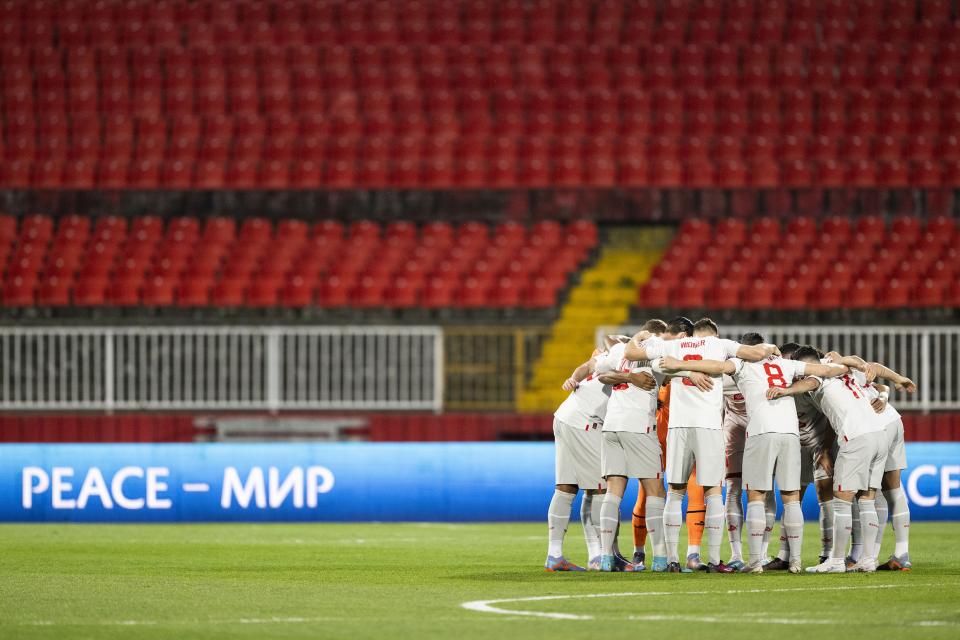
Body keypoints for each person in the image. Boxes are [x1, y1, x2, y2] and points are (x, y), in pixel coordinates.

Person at [661, 333, 847, 574]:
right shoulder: (785, 364)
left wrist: (680, 365)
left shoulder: (740, 364)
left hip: (761, 431)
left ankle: (755, 561)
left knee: (756, 495)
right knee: (791, 497)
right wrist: (843, 362)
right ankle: (796, 561)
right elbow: (826, 372)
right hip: (790, 433)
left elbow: (717, 366)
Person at [625, 317, 777, 573]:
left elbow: (630, 352)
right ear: (713, 335)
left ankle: (672, 559)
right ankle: (716, 560)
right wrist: (771, 348)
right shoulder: (721, 345)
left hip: (678, 427)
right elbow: (756, 352)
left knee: (675, 491)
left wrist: (640, 336)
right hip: (708, 426)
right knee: (713, 492)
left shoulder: (672, 347)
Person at [592, 320, 714, 572]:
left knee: (614, 490)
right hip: (638, 427)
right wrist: (692, 372)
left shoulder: (620, 350)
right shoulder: (657, 350)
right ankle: (659, 558)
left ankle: (605, 557)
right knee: (655, 490)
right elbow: (675, 368)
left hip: (611, 426)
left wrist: (627, 369)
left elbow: (601, 373)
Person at [767, 346, 890, 573]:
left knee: (842, 499)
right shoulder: (841, 368)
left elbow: (810, 382)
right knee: (866, 498)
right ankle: (868, 559)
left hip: (856, 437)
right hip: (879, 434)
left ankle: (835, 560)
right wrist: (866, 366)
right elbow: (857, 363)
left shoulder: (819, 375)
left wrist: (785, 391)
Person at [544, 346, 612, 571]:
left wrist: (573, 379)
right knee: (600, 489)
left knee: (566, 487)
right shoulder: (626, 359)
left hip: (564, 416)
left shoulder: (605, 357)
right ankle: (600, 556)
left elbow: (586, 366)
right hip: (585, 421)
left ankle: (554, 556)